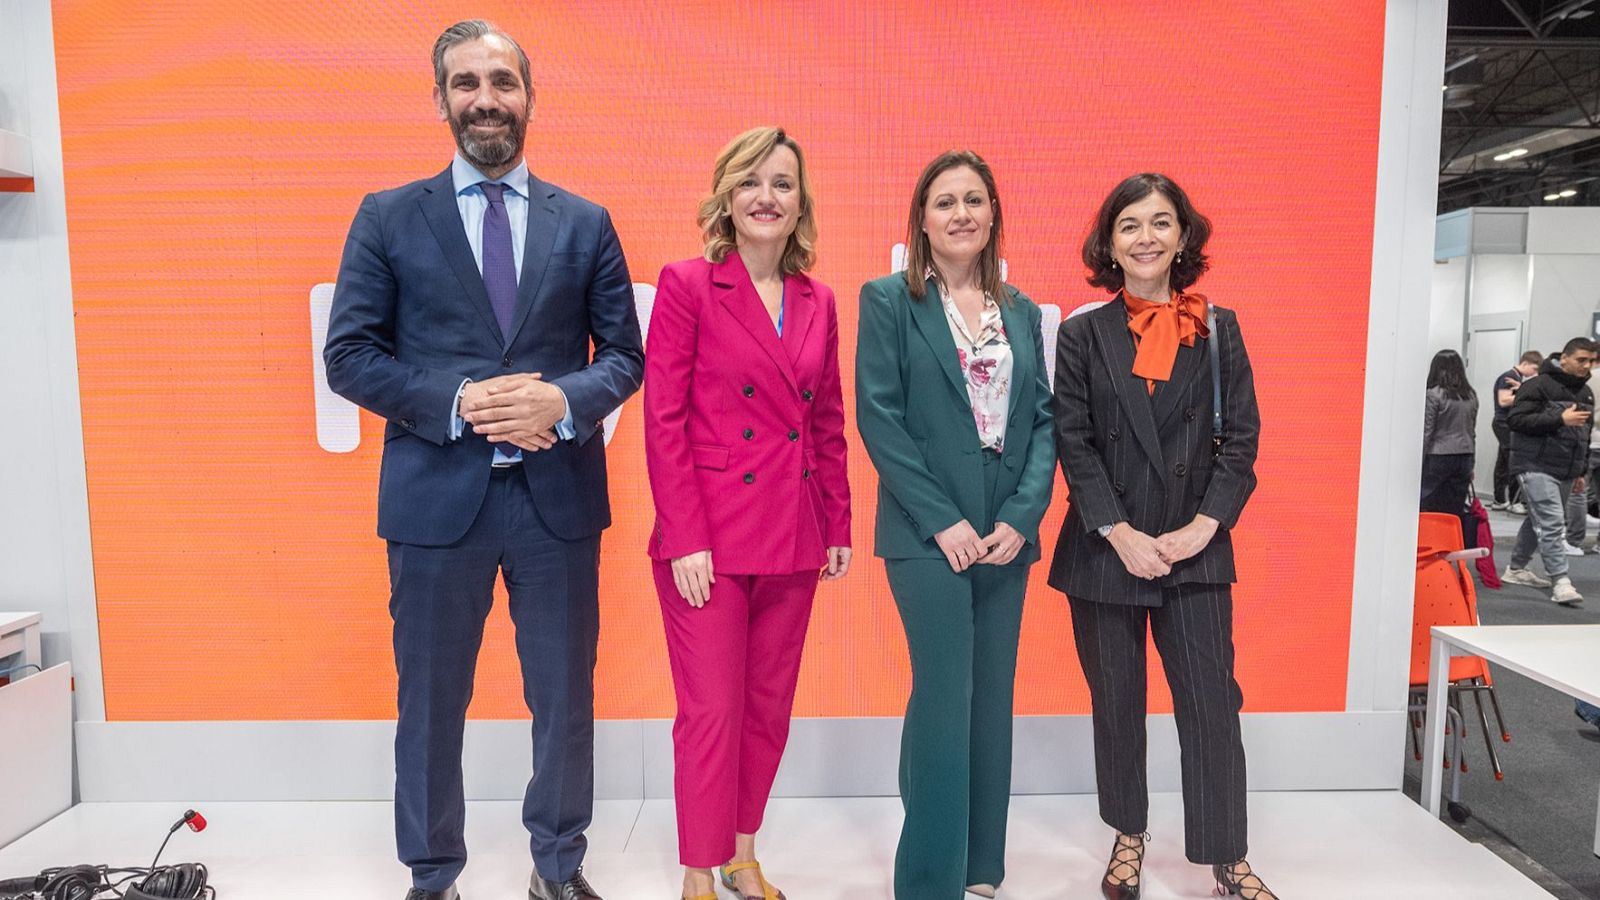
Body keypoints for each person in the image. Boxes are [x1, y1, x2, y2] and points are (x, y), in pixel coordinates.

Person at [323, 20, 643, 900]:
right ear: (440, 100)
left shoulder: (586, 223)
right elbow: (348, 355)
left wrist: (561, 402)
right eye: (466, 83)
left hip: (556, 504)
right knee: (430, 702)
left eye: (503, 82)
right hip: (435, 501)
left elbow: (625, 355)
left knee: (565, 699)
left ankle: (558, 867)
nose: (486, 99)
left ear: (530, 98)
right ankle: (432, 875)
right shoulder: (388, 217)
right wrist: (461, 402)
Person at [1049, 173, 1276, 900]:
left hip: (1195, 549)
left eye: (1160, 222)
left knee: (1211, 704)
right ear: (1109, 244)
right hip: (1105, 551)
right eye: (1129, 225)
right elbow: (1074, 440)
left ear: (1183, 237)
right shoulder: (1082, 333)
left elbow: (1242, 439)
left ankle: (1228, 857)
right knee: (1117, 706)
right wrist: (1119, 531)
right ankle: (1127, 837)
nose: (1145, 237)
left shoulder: (1219, 329)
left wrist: (1202, 527)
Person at [643, 126, 851, 900]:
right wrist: (685, 537)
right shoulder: (688, 284)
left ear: (801, 204)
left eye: (782, 184)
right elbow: (663, 420)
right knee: (711, 712)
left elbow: (825, 420)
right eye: (751, 182)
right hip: (709, 540)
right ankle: (698, 871)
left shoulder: (818, 300)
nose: (767, 197)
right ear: (726, 198)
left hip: (794, 531)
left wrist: (837, 522)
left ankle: (741, 853)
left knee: (766, 709)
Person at [856, 150, 1056, 900]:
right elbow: (880, 418)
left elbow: (1043, 421)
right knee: (944, 694)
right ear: (922, 218)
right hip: (925, 534)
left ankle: (980, 868)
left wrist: (1021, 517)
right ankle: (928, 880)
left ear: (993, 213)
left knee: (990, 697)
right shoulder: (888, 300)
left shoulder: (1022, 310)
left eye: (974, 199)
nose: (961, 214)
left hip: (1005, 535)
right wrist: (943, 521)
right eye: (945, 202)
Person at [1503, 338, 1599, 607]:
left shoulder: (1585, 392)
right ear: (1564, 358)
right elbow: (1516, 420)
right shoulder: (1538, 385)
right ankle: (1561, 581)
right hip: (1534, 465)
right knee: (1552, 522)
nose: (1587, 365)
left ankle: (1516, 568)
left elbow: (1583, 435)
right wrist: (1559, 419)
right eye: (1581, 360)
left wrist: (1580, 471)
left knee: (1539, 519)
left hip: (1566, 468)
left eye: (1591, 361)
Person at [1420, 350, 1478, 529]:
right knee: (1454, 507)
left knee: (1430, 503)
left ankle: (1432, 539)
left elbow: (1427, 431)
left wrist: (1419, 460)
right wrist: (1472, 463)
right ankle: (1451, 540)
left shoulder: (1433, 394)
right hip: (1465, 455)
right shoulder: (1470, 395)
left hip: (1438, 455)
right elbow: (1472, 430)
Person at [1491, 351, 1542, 512]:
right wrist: (1525, 393)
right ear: (1525, 363)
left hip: (1506, 423)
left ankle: (1500, 499)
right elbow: (1503, 400)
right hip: (1504, 423)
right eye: (1534, 368)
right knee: (1513, 460)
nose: (1534, 373)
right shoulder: (1509, 376)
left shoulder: (1518, 379)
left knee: (1503, 462)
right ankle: (1515, 501)